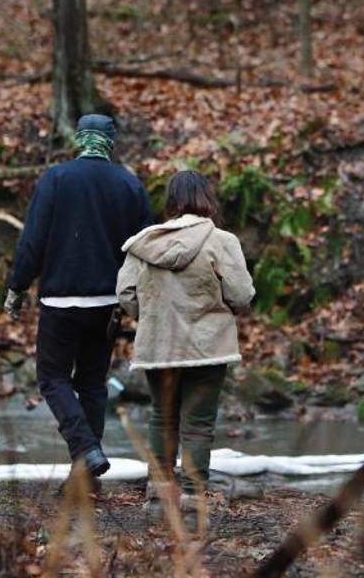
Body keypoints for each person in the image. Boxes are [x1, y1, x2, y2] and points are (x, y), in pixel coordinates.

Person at [4, 114, 151, 477]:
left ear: (79, 140)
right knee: (91, 383)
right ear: (110, 142)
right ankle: (86, 474)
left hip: (60, 301)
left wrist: (18, 286)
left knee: (53, 378)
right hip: (107, 304)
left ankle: (85, 449)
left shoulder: (56, 179)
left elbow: (34, 239)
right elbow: (146, 246)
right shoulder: (129, 184)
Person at [115, 170, 255, 509]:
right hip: (207, 348)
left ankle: (159, 491)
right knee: (199, 422)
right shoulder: (222, 241)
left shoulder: (145, 242)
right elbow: (241, 294)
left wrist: (151, 316)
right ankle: (193, 495)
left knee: (161, 416)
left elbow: (126, 294)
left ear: (171, 201)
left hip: (158, 346)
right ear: (207, 198)